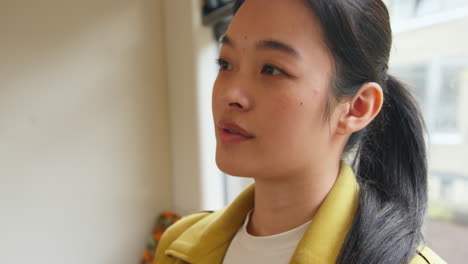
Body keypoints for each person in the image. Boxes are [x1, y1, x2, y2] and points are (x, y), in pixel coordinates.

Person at [155, 0, 446, 263]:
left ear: (357, 108)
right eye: (225, 63)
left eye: (271, 69)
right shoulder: (177, 245)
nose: (231, 93)